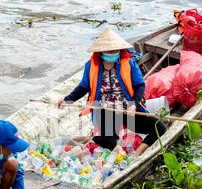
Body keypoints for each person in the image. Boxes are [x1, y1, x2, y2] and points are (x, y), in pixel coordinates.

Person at [58, 28, 166, 156]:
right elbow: (83, 87)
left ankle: (137, 154)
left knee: (159, 127)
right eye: (109, 51)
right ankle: (90, 139)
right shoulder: (92, 66)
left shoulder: (129, 64)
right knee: (110, 142)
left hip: (127, 109)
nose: (113, 53)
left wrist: (133, 104)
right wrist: (67, 100)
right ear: (101, 52)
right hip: (105, 111)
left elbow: (139, 86)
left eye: (116, 51)